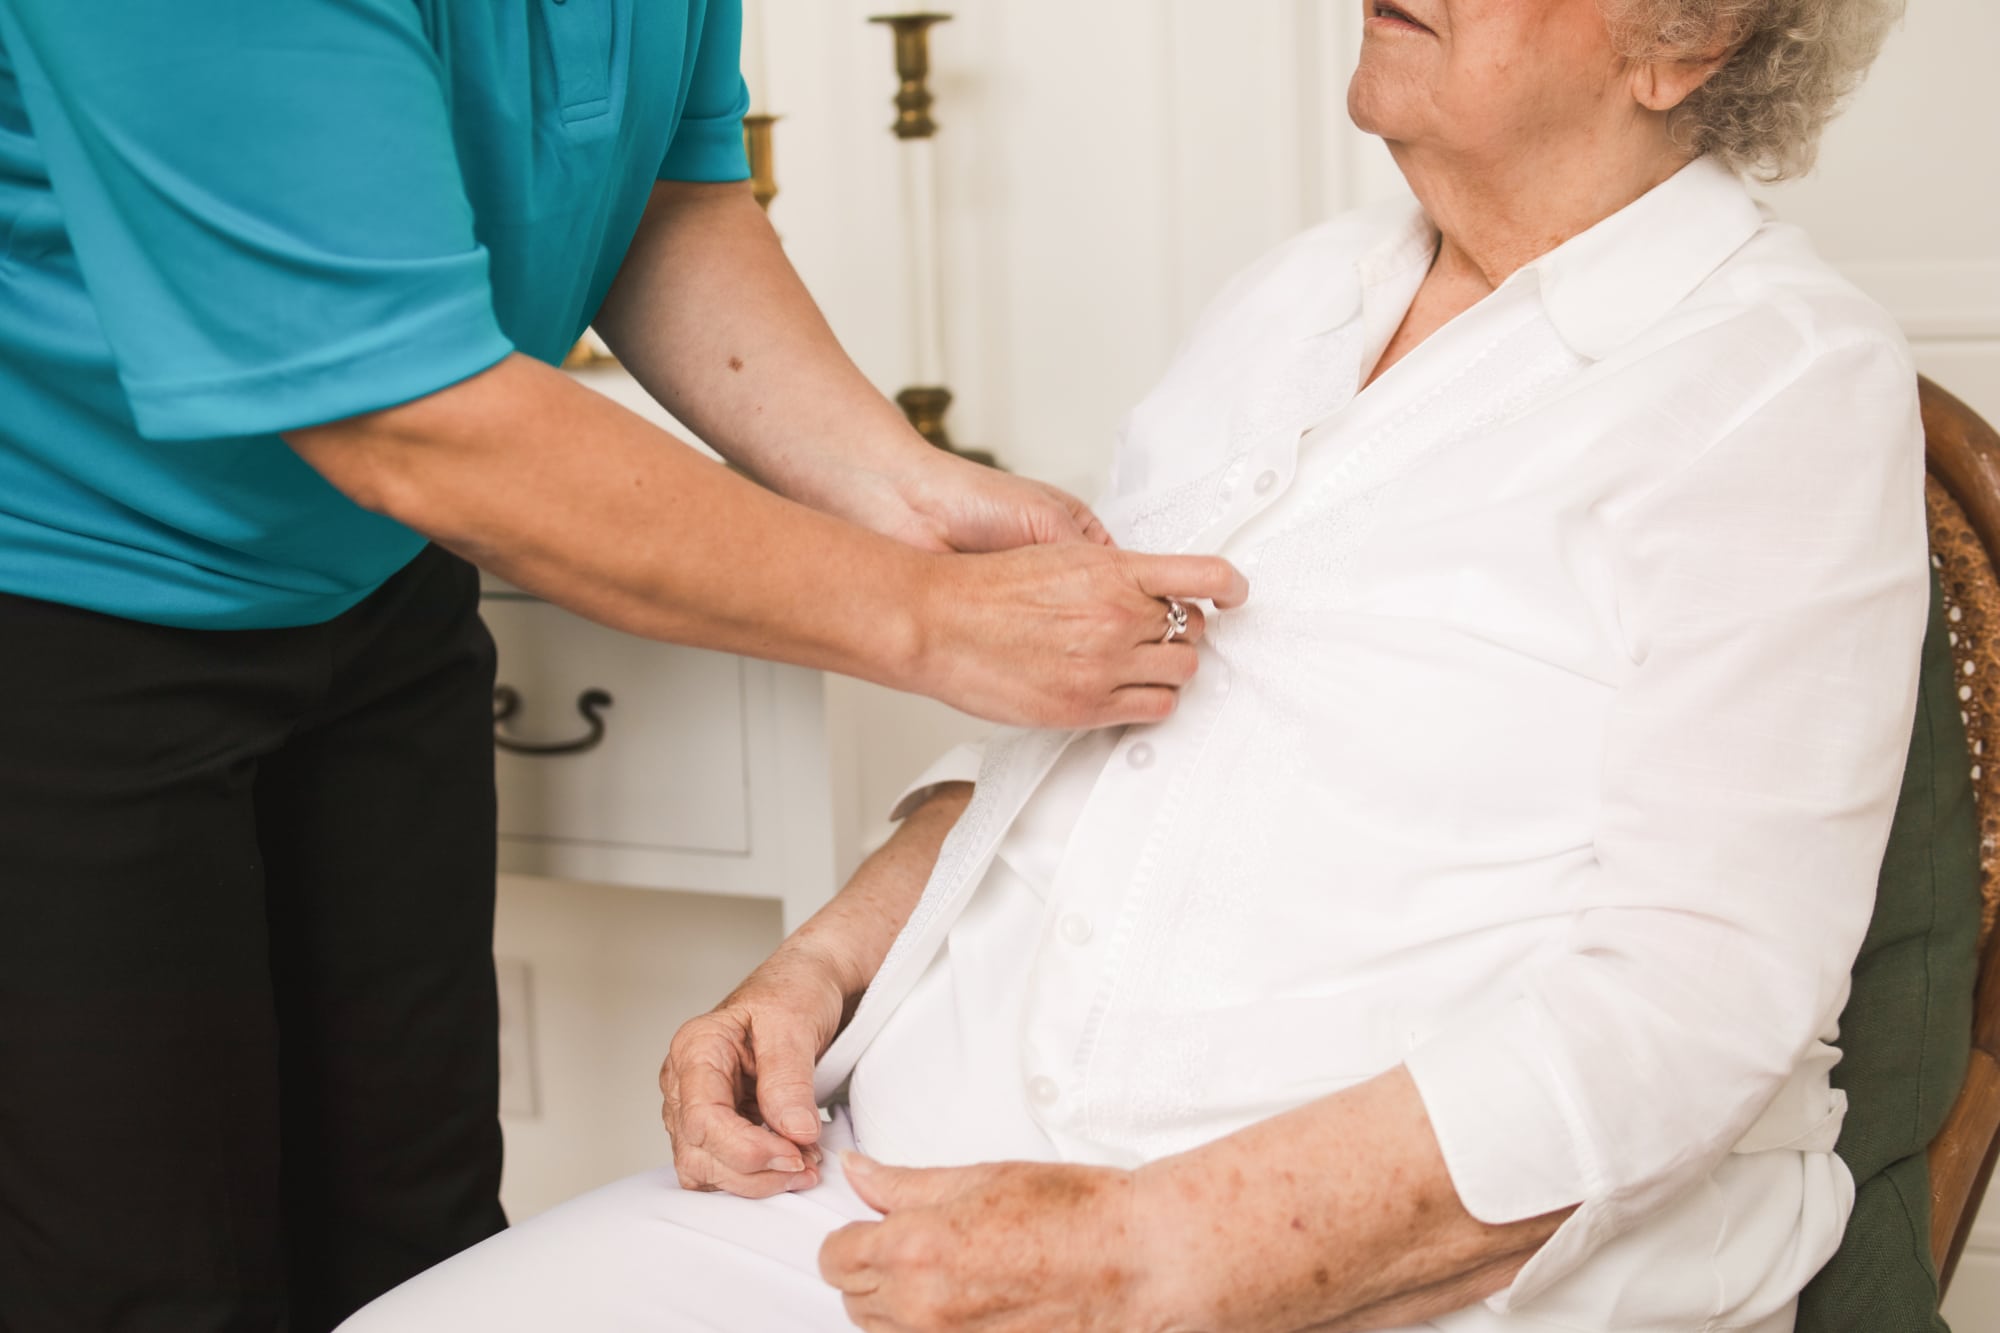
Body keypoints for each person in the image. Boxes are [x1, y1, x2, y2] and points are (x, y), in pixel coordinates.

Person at [341, 0, 1922, 1328]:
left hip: (1332, 1277)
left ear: (1687, 39)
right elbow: (1085, 731)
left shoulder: (1776, 380)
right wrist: (817, 972)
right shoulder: (1300, 297)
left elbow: (1700, 997)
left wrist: (1153, 1250)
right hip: (899, 1185)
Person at [0, 2, 1246, 1329]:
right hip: (57, 592)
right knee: (139, 1269)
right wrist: (929, 616)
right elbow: (400, 412)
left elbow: (665, 202)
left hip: (378, 580)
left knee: (416, 1233)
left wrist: (904, 488)